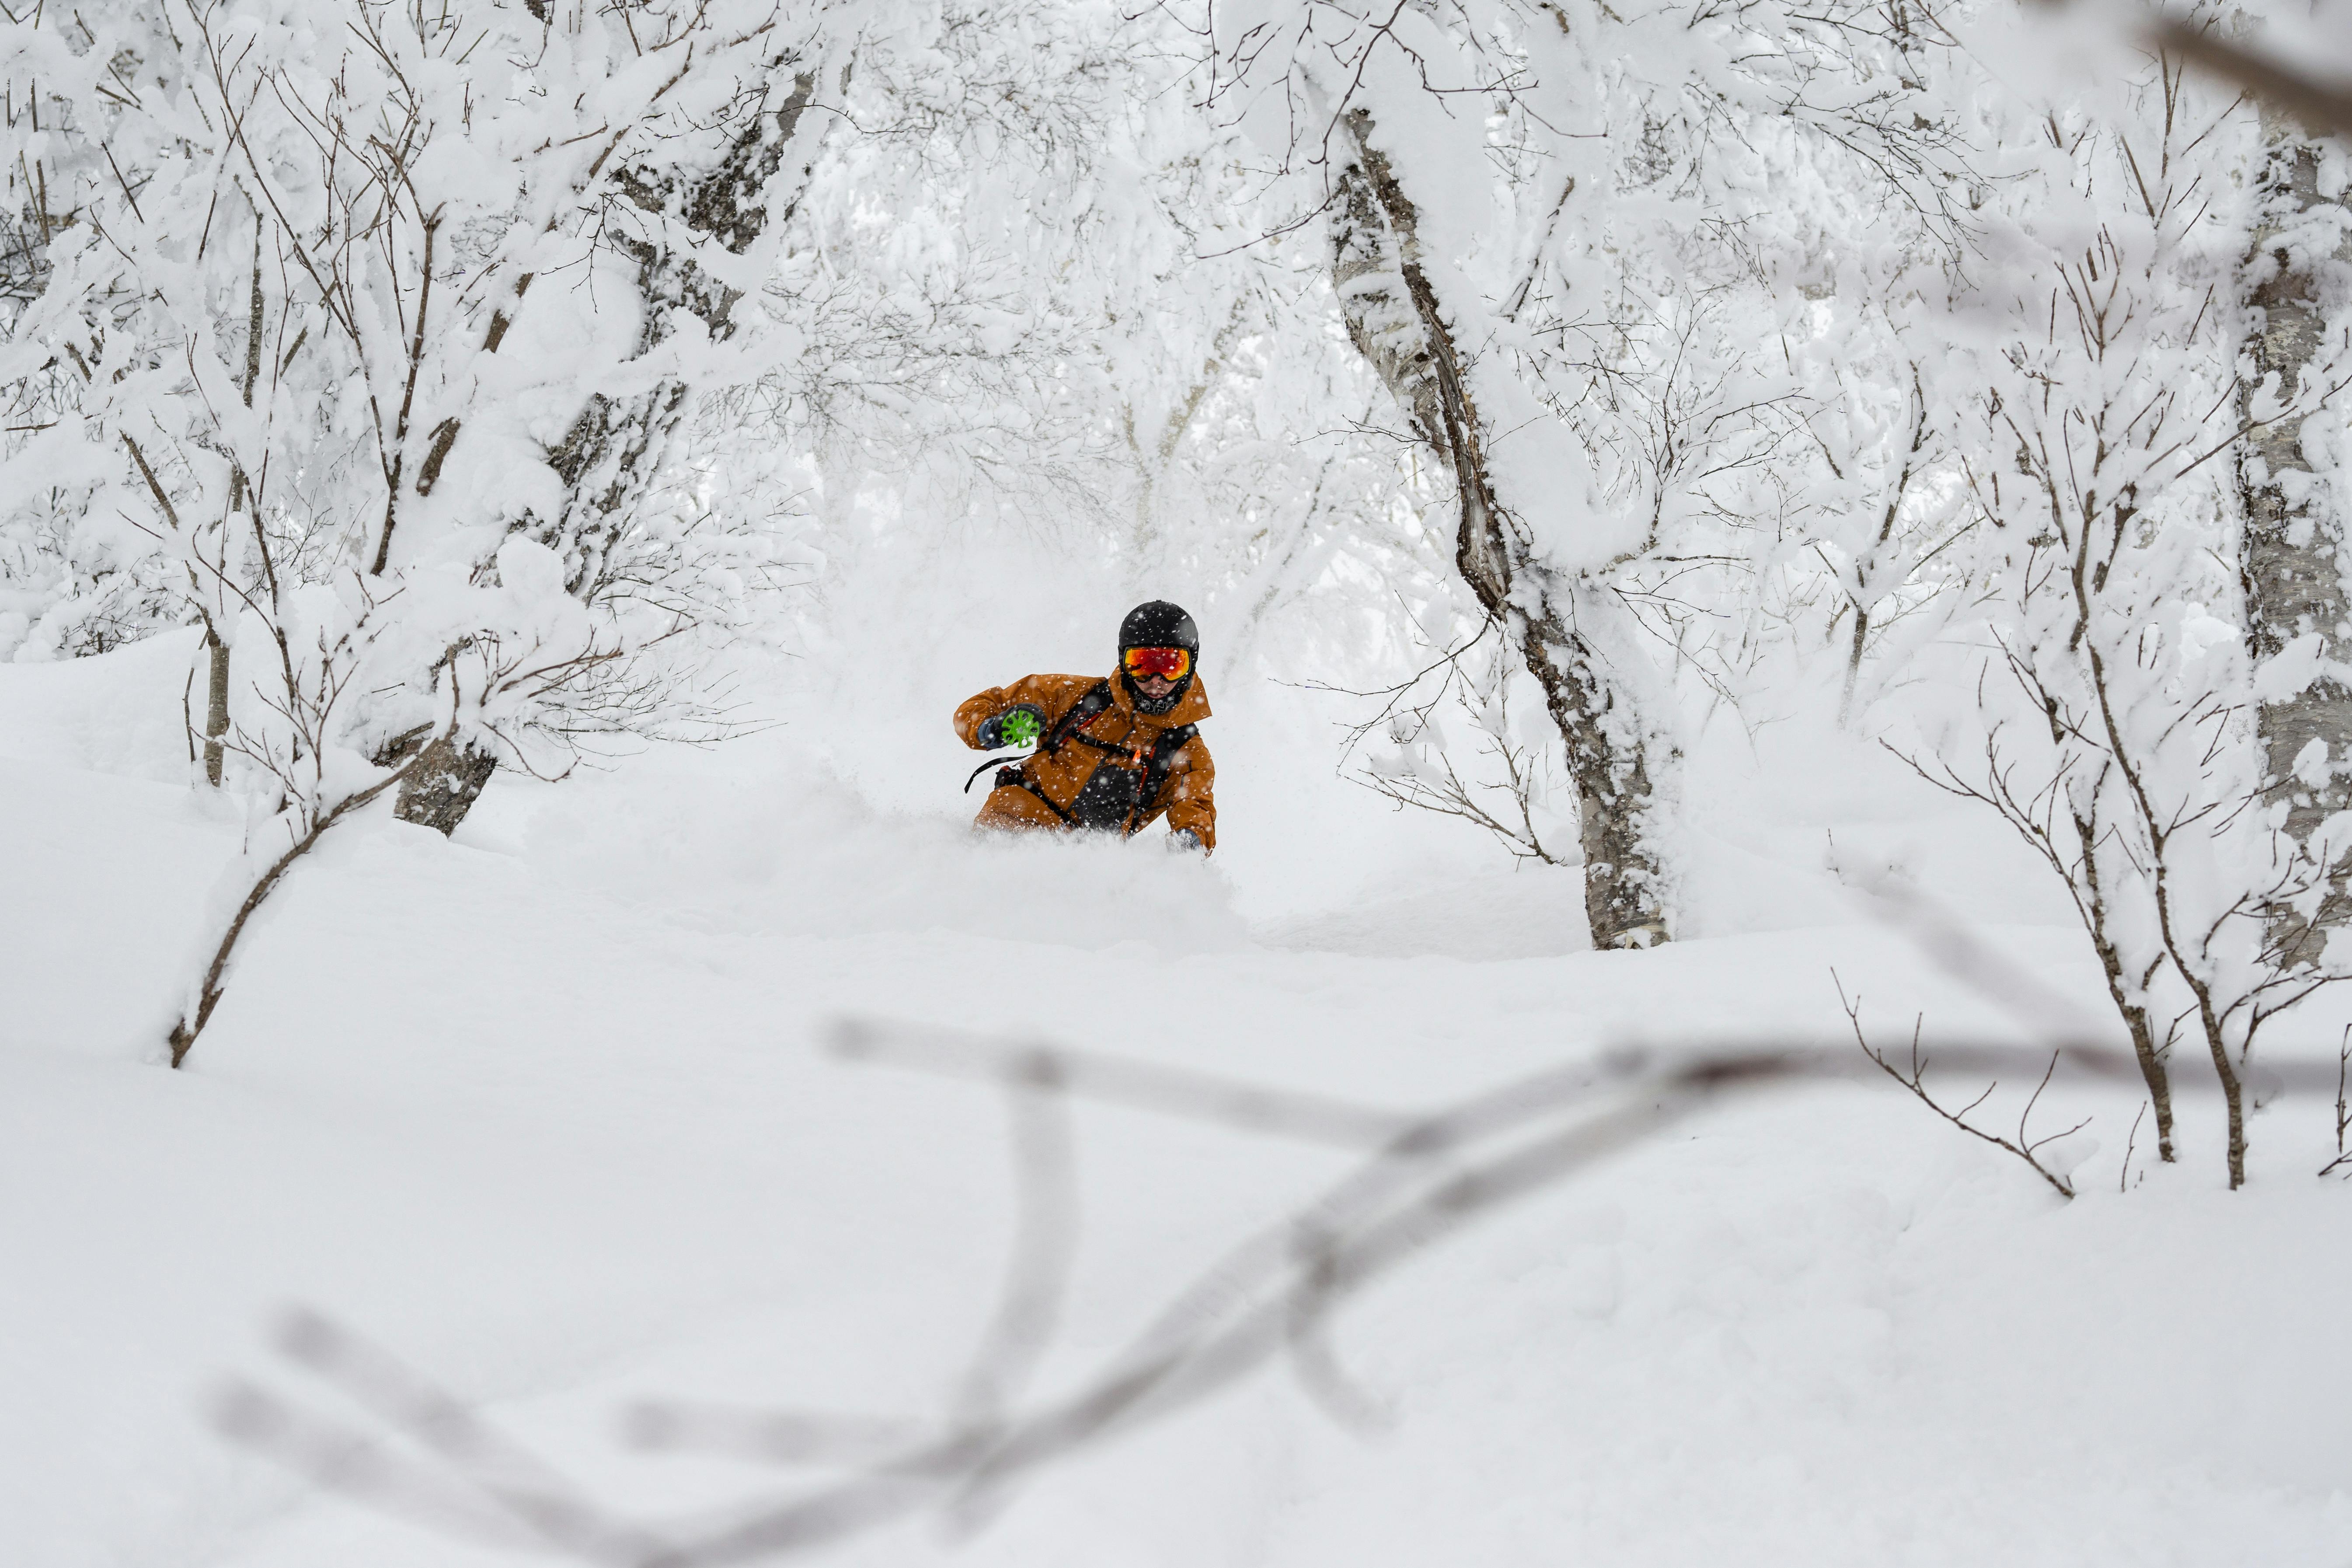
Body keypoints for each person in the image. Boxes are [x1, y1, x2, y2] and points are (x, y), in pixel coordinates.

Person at [954, 600, 1216, 852]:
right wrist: (988, 729)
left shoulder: (1184, 749)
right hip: (1006, 829)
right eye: (1142, 665)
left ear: (1190, 667)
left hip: (1081, 864)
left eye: (1171, 666)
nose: (1156, 681)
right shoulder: (1079, 698)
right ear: (1123, 662)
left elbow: (1196, 806)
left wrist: (1190, 841)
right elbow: (983, 705)